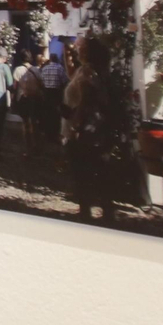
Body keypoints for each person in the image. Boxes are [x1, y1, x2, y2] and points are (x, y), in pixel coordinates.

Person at [62, 35, 112, 222]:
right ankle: (101, 212)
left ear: (89, 53)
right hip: (91, 127)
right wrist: (66, 51)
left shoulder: (89, 72)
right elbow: (71, 75)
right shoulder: (86, 70)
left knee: (83, 171)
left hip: (85, 129)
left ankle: (88, 215)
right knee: (92, 170)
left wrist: (75, 124)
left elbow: (85, 100)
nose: (78, 50)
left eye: (82, 48)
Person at [35, 49, 68, 146]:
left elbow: (41, 81)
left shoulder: (44, 68)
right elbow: (64, 81)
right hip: (56, 93)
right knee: (56, 113)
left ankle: (47, 133)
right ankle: (55, 133)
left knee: (47, 112)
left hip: (46, 92)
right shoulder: (59, 68)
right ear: (57, 59)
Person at [12, 49, 42, 154]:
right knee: (34, 122)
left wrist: (13, 99)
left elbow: (15, 86)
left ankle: (28, 147)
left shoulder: (18, 70)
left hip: (23, 98)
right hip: (34, 98)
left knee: (25, 123)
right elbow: (41, 83)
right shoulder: (36, 70)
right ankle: (37, 146)